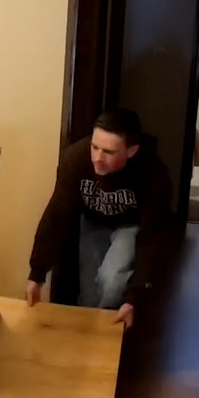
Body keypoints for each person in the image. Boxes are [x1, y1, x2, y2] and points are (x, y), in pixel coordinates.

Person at [26, 108, 172, 329]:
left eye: (109, 152)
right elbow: (57, 215)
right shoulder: (76, 158)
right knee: (90, 293)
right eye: (94, 147)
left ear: (131, 151)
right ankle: (87, 345)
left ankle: (109, 338)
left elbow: (152, 238)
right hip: (93, 221)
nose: (97, 158)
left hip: (130, 225)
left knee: (112, 281)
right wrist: (37, 273)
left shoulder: (153, 175)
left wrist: (134, 297)